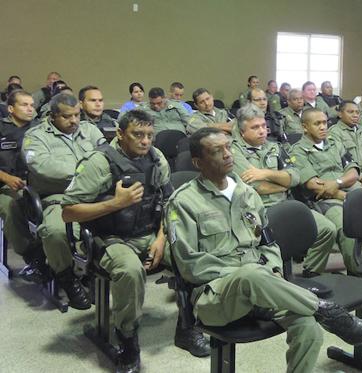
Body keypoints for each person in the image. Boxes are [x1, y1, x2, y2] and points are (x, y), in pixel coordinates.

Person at [165, 127, 362, 373]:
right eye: (216, 151)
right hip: (217, 296)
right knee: (250, 275)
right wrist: (249, 274)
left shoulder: (247, 194)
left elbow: (268, 242)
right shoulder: (183, 202)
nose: (227, 154)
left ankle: (313, 312)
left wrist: (272, 270)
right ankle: (327, 310)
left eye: (228, 147)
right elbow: (189, 263)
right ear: (198, 162)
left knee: (308, 328)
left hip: (264, 287)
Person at [61, 109, 208, 373]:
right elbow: (68, 211)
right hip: (109, 238)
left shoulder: (156, 158)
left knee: (195, 254)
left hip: (149, 234)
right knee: (129, 270)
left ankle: (187, 326)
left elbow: (168, 204)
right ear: (120, 134)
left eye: (150, 135)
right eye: (137, 135)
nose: (145, 141)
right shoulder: (99, 162)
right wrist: (116, 203)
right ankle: (128, 340)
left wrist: (162, 239)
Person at [290, 108, 362, 273]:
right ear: (305, 127)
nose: (323, 127)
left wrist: (337, 182)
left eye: (325, 122)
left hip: (353, 194)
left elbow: (353, 172)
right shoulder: (298, 151)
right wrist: (343, 194)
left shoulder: (335, 143)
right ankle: (359, 273)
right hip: (328, 201)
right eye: (317, 124)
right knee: (347, 228)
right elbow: (313, 184)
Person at [22, 93, 106, 309]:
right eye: (67, 117)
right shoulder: (37, 136)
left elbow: (107, 155)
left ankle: (98, 270)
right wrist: (87, 172)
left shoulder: (90, 130)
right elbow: (42, 166)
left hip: (95, 195)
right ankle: (66, 277)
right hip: (58, 198)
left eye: (77, 115)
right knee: (55, 232)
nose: (74, 121)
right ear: (53, 116)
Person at [231, 104, 336, 275]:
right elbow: (255, 187)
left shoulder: (275, 147)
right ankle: (278, 281)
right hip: (257, 210)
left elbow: (295, 177)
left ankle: (311, 274)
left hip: (285, 203)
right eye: (255, 127)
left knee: (326, 229)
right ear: (242, 131)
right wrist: (282, 182)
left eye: (264, 126)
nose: (262, 131)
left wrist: (264, 172)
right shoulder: (234, 152)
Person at [0, 91, 46, 281]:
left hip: (34, 183)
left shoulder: (40, 129)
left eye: (32, 105)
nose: (30, 109)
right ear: (11, 109)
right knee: (14, 207)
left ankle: (60, 258)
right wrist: (6, 178)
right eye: (24, 105)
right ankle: (32, 257)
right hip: (5, 185)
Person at [328, 101, 362, 182]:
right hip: (349, 177)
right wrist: (361, 177)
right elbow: (341, 160)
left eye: (357, 112)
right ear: (340, 114)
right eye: (350, 112)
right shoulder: (334, 133)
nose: (355, 115)